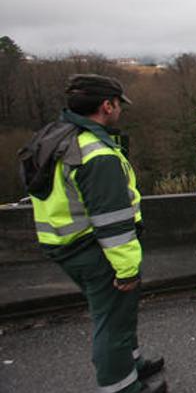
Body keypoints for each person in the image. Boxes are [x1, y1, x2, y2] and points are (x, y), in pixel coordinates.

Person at [18, 74, 166, 393]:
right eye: (118, 105)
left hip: (64, 242)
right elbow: (112, 221)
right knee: (111, 320)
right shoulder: (95, 152)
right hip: (95, 248)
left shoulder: (55, 136)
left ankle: (131, 363)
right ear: (106, 105)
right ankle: (122, 386)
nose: (120, 111)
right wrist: (126, 270)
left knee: (117, 315)